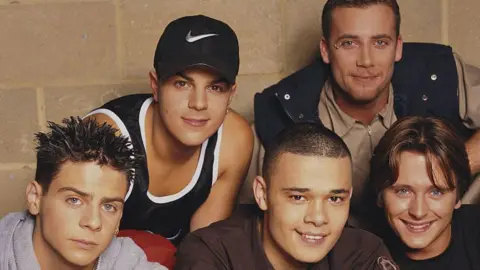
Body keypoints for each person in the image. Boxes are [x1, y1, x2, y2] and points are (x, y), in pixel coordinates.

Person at [253, 0, 480, 228]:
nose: (366, 61)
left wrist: (451, 172)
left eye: (380, 42)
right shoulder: (282, 114)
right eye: (349, 43)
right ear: (326, 50)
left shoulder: (437, 72)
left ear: (398, 47)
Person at [85, 15, 253, 245]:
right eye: (182, 84)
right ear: (156, 85)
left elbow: (204, 252)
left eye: (215, 87)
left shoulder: (234, 140)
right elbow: (75, 248)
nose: (199, 103)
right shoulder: (105, 135)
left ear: (231, 94)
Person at [175, 123, 397, 270]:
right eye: (298, 198)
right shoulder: (212, 253)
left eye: (334, 199)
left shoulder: (363, 254)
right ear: (262, 194)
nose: (318, 218)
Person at [0, 117, 166, 270]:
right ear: (34, 198)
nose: (93, 222)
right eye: (74, 200)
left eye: (108, 206)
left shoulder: (128, 262)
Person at [369, 116, 480, 269]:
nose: (418, 212)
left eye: (436, 192)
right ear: (380, 194)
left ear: (458, 196)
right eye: (403, 191)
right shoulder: (360, 256)